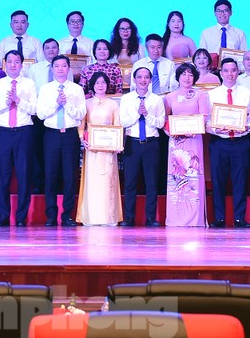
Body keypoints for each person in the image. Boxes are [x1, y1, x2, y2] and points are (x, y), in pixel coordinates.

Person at [206, 57, 250, 228]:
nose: (230, 74)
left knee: (240, 181)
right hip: (219, 142)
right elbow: (206, 121)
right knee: (218, 181)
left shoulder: (246, 93)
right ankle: (219, 218)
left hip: (240, 142)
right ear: (221, 73)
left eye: (233, 70)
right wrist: (215, 130)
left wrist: (247, 127)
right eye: (226, 70)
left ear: (238, 72)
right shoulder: (212, 95)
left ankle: (239, 218)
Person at [36, 55, 87, 226]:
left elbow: (81, 114)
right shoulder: (45, 89)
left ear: (68, 68)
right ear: (52, 69)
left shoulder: (76, 89)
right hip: (51, 134)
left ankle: (67, 215)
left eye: (64, 66)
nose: (60, 69)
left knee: (70, 176)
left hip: (70, 135)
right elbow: (41, 114)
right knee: (50, 174)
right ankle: (51, 215)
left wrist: (67, 105)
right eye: (56, 66)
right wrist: (56, 103)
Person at [0, 51, 37, 226]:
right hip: (3, 133)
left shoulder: (29, 84)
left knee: (24, 175)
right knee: (3, 176)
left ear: (22, 64)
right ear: (5, 64)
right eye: (9, 61)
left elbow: (35, 109)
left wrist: (19, 101)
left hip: (24, 132)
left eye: (16, 62)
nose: (13, 65)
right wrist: (7, 103)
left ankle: (21, 217)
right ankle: (3, 216)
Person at [118, 67, 166, 226]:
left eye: (146, 77)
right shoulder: (126, 99)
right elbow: (123, 122)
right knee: (130, 182)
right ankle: (129, 217)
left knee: (151, 182)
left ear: (150, 80)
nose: (143, 80)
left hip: (151, 143)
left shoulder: (157, 100)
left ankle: (151, 217)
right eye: (139, 77)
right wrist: (137, 113)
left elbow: (160, 123)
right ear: (134, 79)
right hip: (132, 143)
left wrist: (147, 115)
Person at [164, 63, 210, 227]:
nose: (187, 77)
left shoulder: (201, 95)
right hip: (176, 143)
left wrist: (194, 129)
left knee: (193, 176)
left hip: (194, 140)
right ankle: (176, 218)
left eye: (190, 74)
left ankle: (194, 219)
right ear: (178, 77)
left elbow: (204, 116)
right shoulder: (170, 97)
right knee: (177, 177)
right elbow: (165, 120)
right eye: (183, 74)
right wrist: (172, 132)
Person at [76, 71, 122, 226]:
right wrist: (82, 139)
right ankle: (91, 217)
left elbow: (117, 125)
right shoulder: (87, 103)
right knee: (93, 182)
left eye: (103, 82)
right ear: (92, 85)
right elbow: (81, 125)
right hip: (92, 150)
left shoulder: (113, 104)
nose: (100, 85)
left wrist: (117, 143)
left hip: (108, 151)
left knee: (107, 182)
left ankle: (109, 217)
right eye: (97, 83)